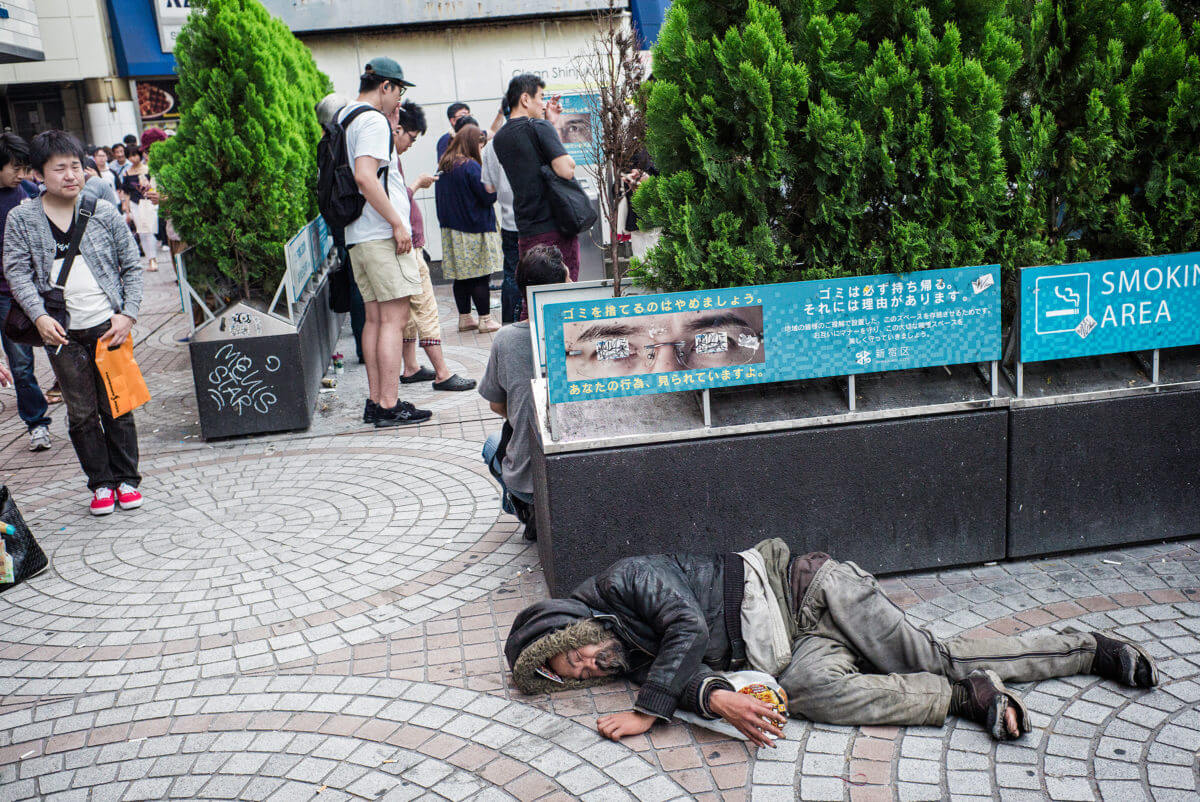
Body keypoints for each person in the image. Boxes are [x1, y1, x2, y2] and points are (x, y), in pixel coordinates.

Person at [505, 538, 1159, 746]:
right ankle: (960, 700)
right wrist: (718, 703)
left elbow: (689, 631)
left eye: (575, 652)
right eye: (580, 674)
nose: (590, 666)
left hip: (810, 589)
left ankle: (1091, 650)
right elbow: (684, 673)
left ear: (569, 623)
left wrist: (652, 712)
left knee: (936, 653)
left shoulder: (626, 582)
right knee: (808, 692)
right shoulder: (627, 650)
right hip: (795, 648)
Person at [3, 130, 145, 515]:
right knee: (81, 412)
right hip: (61, 333)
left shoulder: (101, 210)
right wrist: (40, 316)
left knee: (117, 404)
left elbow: (131, 265)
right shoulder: (22, 218)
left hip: (107, 327)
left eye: (76, 166)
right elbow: (17, 273)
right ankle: (100, 484)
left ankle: (128, 478)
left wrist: (127, 313)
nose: (71, 175)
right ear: (38, 174)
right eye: (60, 168)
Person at [338, 57, 432, 428]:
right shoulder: (373, 119)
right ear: (386, 87)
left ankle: (377, 402)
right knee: (394, 320)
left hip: (358, 236)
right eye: (399, 91)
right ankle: (390, 404)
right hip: (380, 234)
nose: (399, 101)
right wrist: (398, 222)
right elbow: (366, 176)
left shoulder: (347, 116)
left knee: (375, 320)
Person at [479, 245, 569, 539]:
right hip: (577, 475)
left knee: (493, 444)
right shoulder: (583, 331)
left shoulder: (505, 339)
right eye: (568, 281)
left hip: (529, 483)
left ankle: (527, 510)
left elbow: (497, 405)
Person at [386, 100, 476, 392]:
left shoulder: (386, 155)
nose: (411, 144)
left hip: (407, 245)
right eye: (411, 138)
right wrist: (416, 186)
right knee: (426, 308)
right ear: (397, 127)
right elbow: (391, 203)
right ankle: (442, 373)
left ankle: (411, 367)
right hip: (405, 247)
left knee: (410, 313)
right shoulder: (383, 158)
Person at [492, 73, 581, 281]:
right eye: (540, 97)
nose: (543, 104)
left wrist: (549, 122)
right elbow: (565, 170)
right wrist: (550, 125)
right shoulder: (539, 127)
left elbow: (534, 159)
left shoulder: (500, 138)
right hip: (555, 226)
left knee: (532, 291)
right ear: (525, 99)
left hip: (526, 228)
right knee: (564, 289)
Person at [0, 132, 53, 452]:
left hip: (41, 289)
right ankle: (37, 423)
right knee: (20, 363)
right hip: (5, 295)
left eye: (24, 168)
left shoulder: (31, 192)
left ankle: (85, 414)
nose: (21, 174)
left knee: (64, 350)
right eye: (15, 168)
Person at [435, 122, 503, 334]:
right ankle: (485, 320)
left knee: (462, 277)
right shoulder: (471, 166)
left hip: (452, 231)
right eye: (480, 145)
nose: (481, 149)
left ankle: (465, 318)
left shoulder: (445, 165)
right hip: (474, 229)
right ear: (473, 144)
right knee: (480, 276)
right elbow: (488, 196)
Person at [480, 118, 520, 323]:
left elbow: (489, 188)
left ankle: (510, 322)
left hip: (509, 221)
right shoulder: (532, 134)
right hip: (536, 220)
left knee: (512, 274)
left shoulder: (491, 146)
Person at [120, 147, 159, 272]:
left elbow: (154, 187)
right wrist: (126, 208)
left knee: (150, 230)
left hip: (148, 202)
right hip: (134, 204)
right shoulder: (127, 173)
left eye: (135, 155)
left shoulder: (148, 169)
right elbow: (126, 192)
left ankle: (153, 258)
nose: (133, 158)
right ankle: (149, 259)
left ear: (139, 155)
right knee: (142, 232)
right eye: (130, 156)